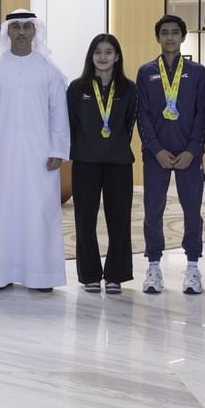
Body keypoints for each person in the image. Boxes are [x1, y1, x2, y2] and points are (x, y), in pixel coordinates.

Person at [0, 10, 70, 291]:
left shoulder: (49, 71)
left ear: (35, 31)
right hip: (0, 158)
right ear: (8, 32)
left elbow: (59, 115)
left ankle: (41, 276)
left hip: (41, 159)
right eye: (16, 27)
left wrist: (58, 150)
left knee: (39, 214)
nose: (22, 32)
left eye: (27, 26)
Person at [136, 15, 205, 295]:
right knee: (153, 210)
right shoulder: (146, 72)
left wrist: (193, 149)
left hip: (189, 154)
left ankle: (192, 267)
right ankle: (154, 266)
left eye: (175, 32)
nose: (169, 37)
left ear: (183, 36)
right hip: (157, 155)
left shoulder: (197, 72)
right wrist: (156, 149)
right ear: (157, 37)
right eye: (164, 33)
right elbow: (142, 115)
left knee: (192, 210)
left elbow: (202, 112)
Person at [67, 34, 138, 294]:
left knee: (119, 219)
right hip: (85, 162)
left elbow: (129, 125)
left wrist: (113, 145)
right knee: (84, 220)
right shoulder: (77, 88)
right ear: (91, 56)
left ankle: (116, 275)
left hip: (119, 163)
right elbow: (70, 124)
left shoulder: (129, 89)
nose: (103, 57)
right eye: (98, 52)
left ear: (117, 56)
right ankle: (90, 275)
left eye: (109, 52)